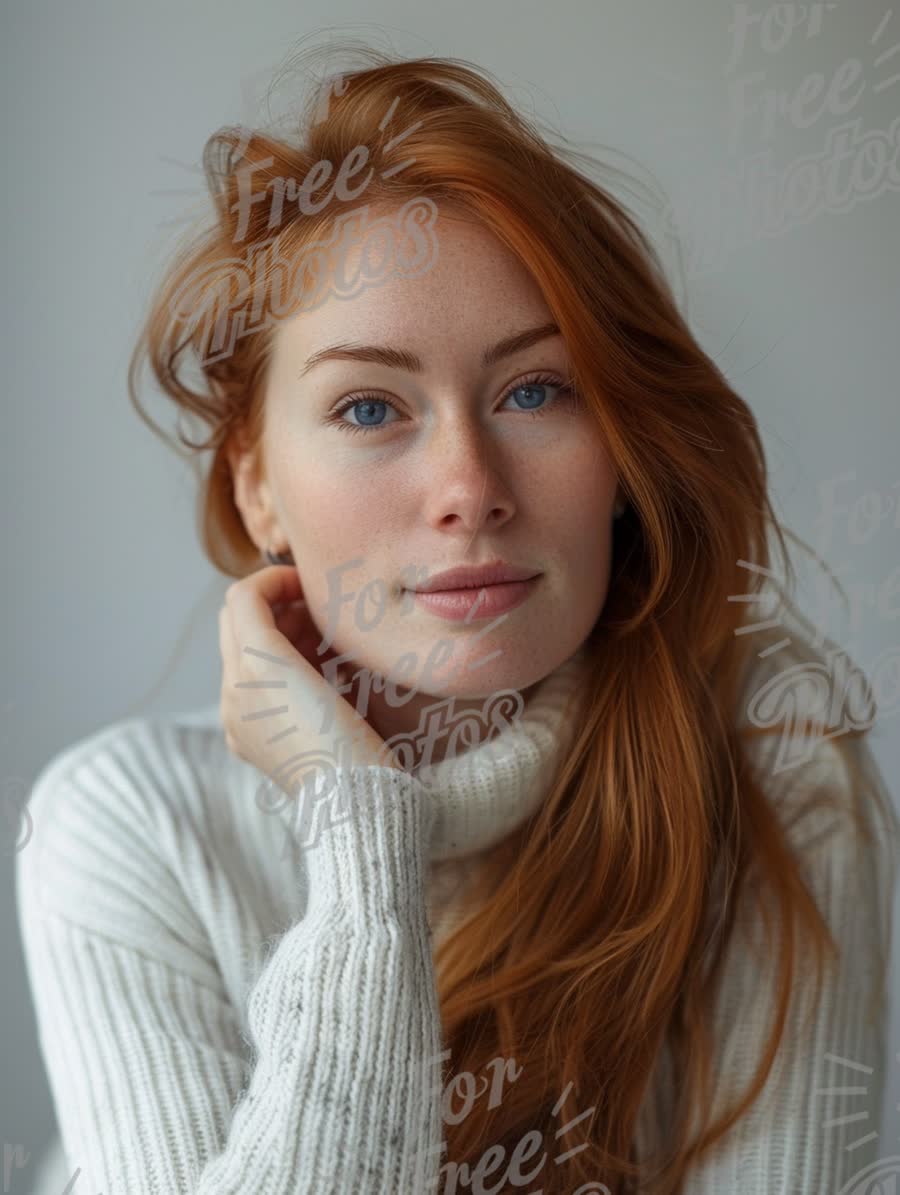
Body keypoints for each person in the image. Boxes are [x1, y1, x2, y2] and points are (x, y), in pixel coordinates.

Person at [16, 44, 900, 1195]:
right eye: (371, 405)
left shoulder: (772, 764)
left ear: (622, 448)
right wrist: (359, 826)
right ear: (257, 487)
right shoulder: (123, 825)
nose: (470, 483)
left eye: (535, 389)